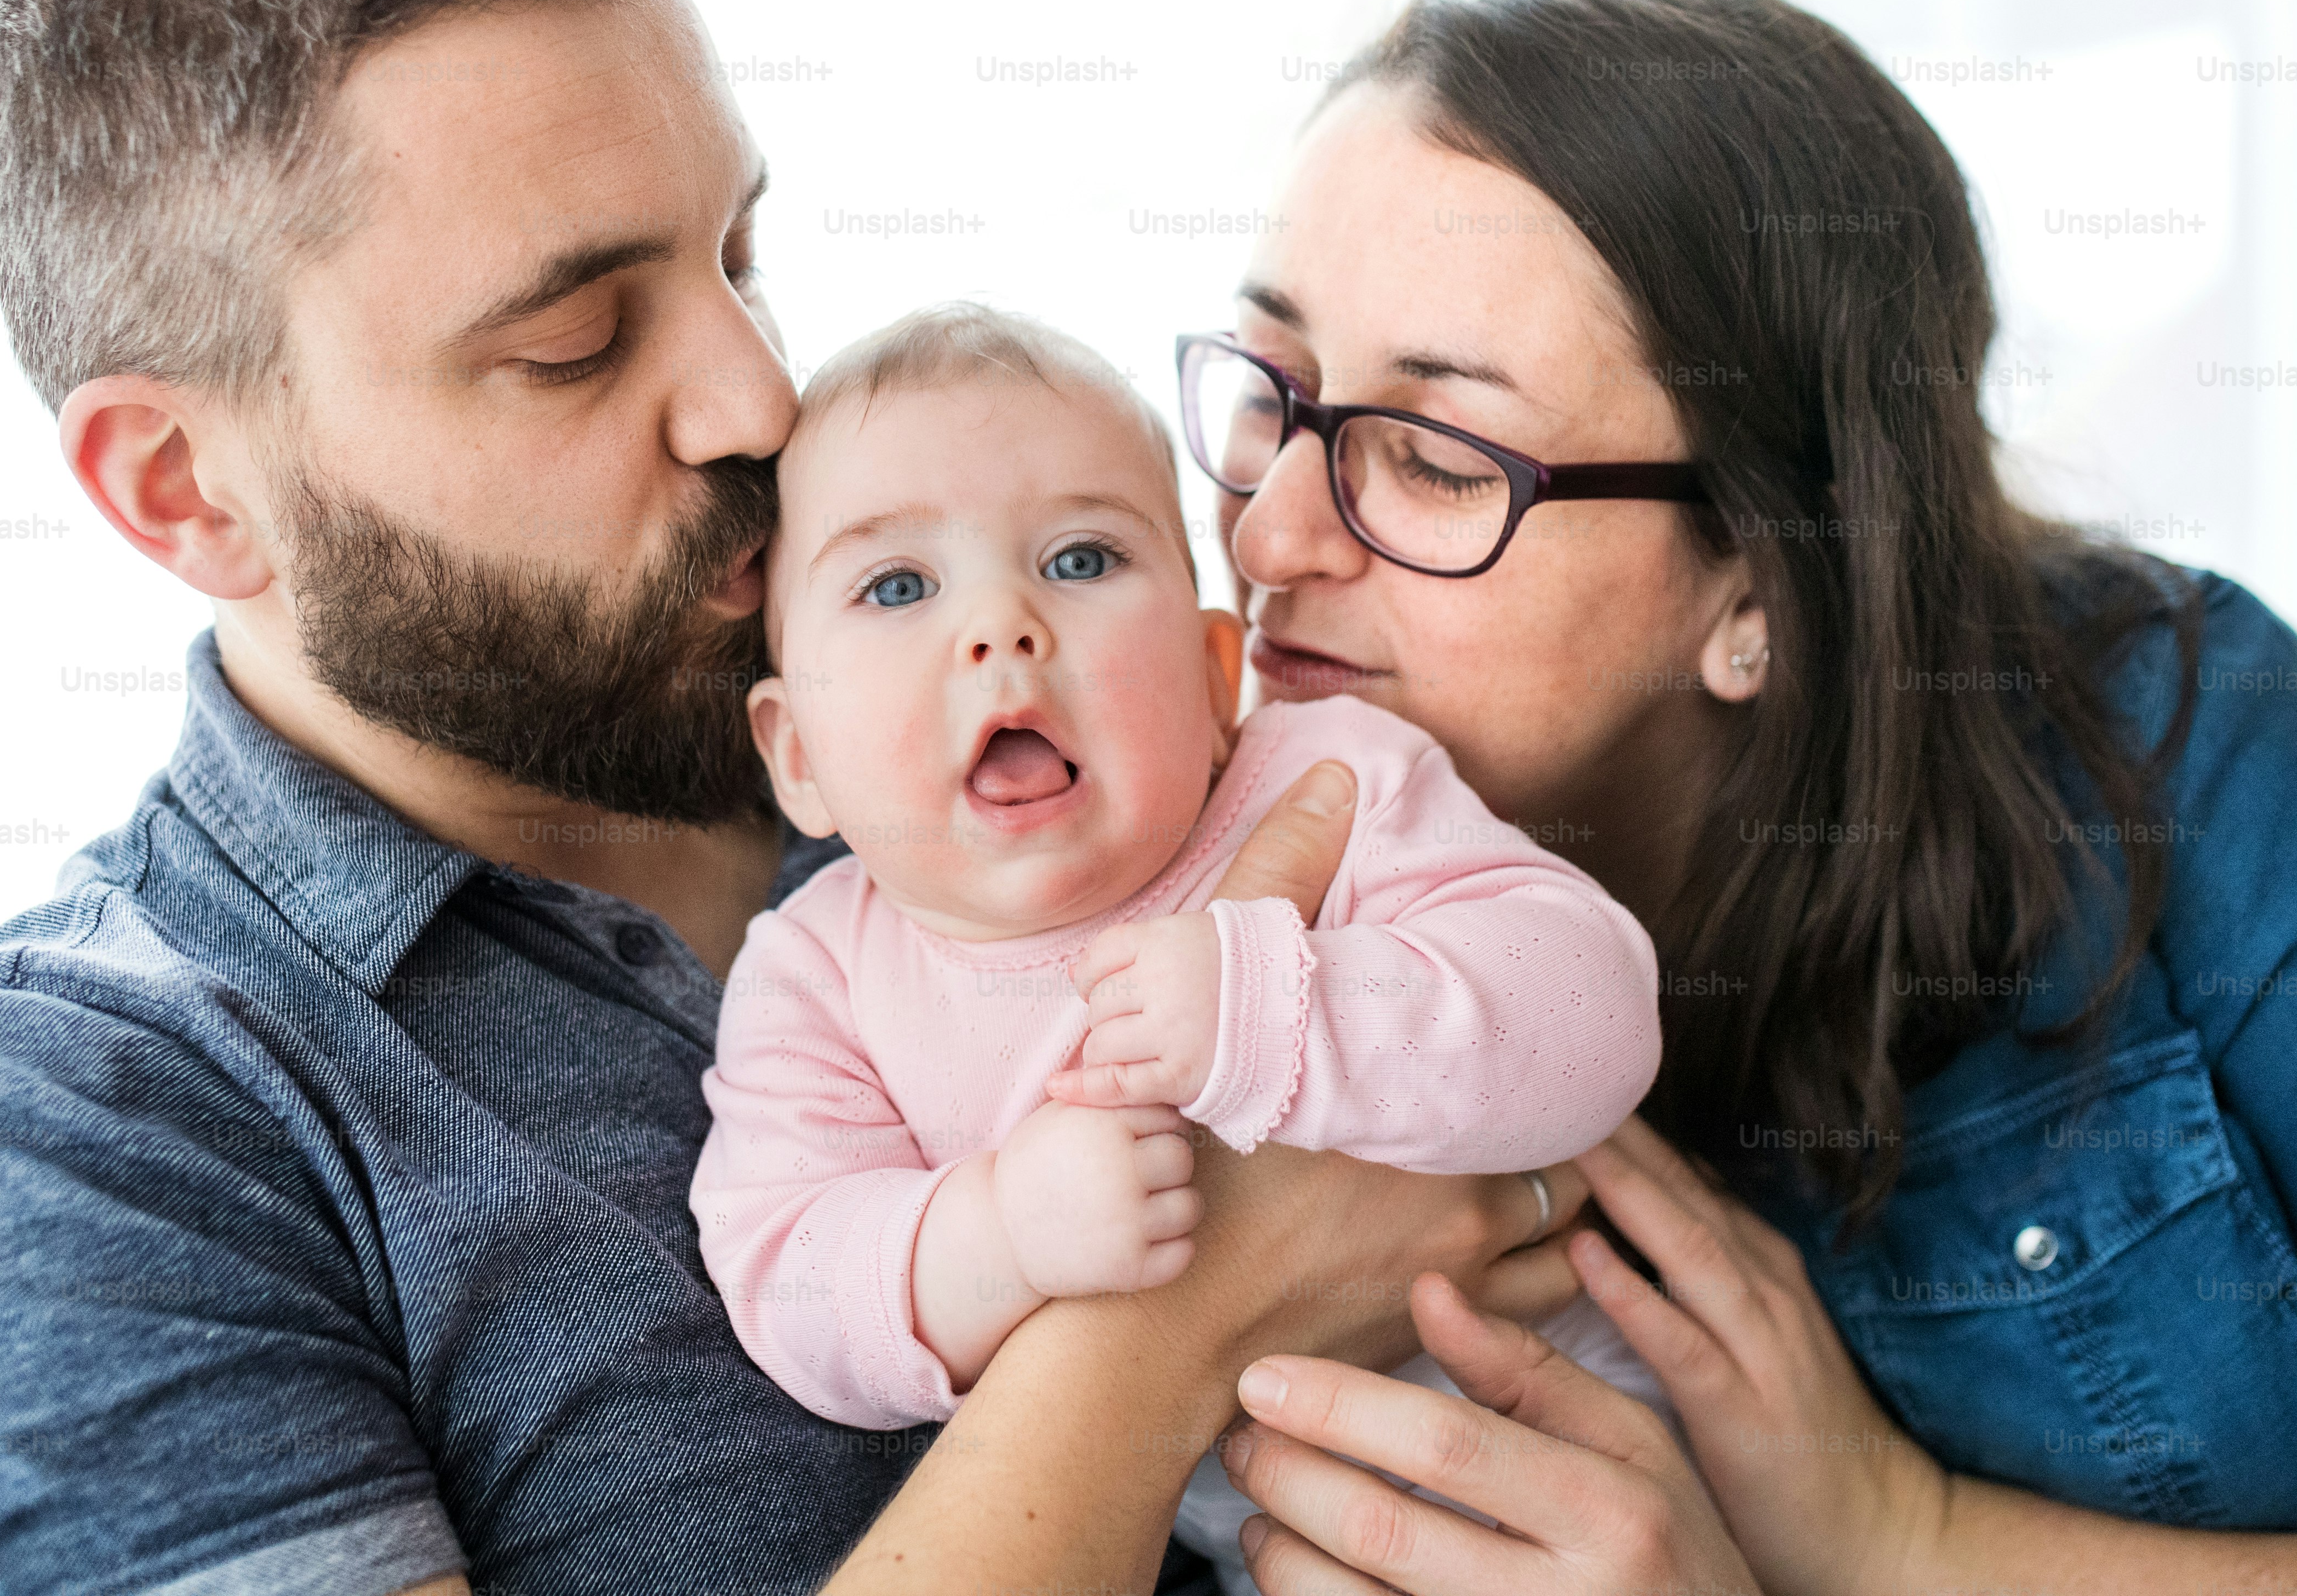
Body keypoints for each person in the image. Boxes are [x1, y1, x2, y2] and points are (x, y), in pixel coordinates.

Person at [0, 0, 1581, 1596]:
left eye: (739, 257)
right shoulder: (59, 1132)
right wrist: (1165, 1324)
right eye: (570, 342)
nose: (755, 402)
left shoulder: (1091, 737)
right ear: (185, 486)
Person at [1142, 0, 2297, 1593]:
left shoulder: (2187, 753)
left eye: (1435, 458)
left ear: (1761, 586)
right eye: (1270, 392)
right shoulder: (1153, 884)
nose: (1265, 536)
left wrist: (1910, 1546)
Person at [690, 304, 1674, 1580]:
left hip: (1589, 1465)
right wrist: (992, 1232)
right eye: (896, 586)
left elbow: (1596, 1012)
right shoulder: (816, 971)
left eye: (1084, 559)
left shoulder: (1328, 780)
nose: (1001, 626)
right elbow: (783, 1270)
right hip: (1271, 1546)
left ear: (1220, 679)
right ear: (798, 755)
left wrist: (1283, 1009)